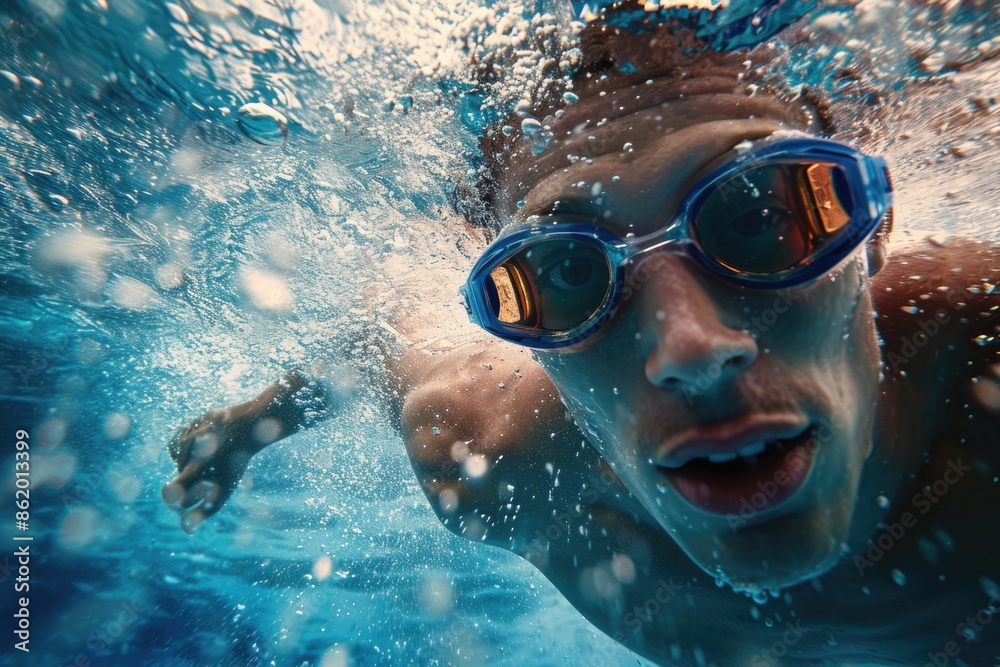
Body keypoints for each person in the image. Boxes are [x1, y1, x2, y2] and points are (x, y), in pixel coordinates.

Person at [161, 5, 1000, 665]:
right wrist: (252, 423)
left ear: (872, 233)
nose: (692, 351)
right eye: (565, 274)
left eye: (762, 214)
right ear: (525, 332)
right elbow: (379, 341)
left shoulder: (982, 337)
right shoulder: (490, 456)